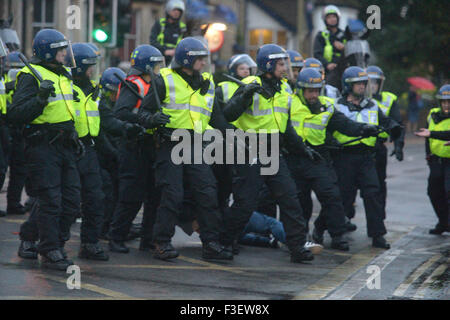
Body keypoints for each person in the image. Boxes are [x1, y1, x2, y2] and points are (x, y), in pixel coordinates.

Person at [221, 43, 322, 263]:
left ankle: (297, 247)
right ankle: (224, 242)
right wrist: (244, 97)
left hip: (274, 150)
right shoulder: (249, 83)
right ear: (267, 64)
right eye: (280, 63)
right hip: (250, 150)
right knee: (245, 203)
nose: (285, 67)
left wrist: (303, 149)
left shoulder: (284, 88)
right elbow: (228, 114)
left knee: (289, 198)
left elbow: (285, 126)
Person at [141, 37, 233, 261]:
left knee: (207, 192)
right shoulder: (164, 80)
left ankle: (211, 243)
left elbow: (217, 119)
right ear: (186, 59)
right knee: (172, 194)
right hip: (171, 144)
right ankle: (161, 243)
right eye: (200, 59)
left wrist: (238, 138)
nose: (204, 63)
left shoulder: (207, 83)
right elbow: (142, 115)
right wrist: (153, 119)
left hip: (195, 146)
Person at [10, 29, 81, 270]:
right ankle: (51, 249)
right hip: (42, 146)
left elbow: (65, 112)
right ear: (48, 51)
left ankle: (32, 238)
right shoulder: (31, 75)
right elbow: (17, 114)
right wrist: (40, 98)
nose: (65, 53)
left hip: (65, 144)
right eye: (61, 49)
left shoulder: (63, 75)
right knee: (51, 200)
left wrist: (75, 135)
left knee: (72, 200)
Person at [288, 68, 380, 251]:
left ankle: (337, 236)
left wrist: (363, 129)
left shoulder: (328, 106)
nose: (313, 95)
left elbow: (344, 124)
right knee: (300, 202)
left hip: (318, 157)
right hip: (295, 158)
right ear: (300, 90)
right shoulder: (289, 104)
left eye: (316, 90)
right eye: (310, 91)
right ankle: (300, 239)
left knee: (332, 196)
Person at [332, 66, 402, 249]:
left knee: (373, 195)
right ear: (348, 85)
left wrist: (394, 128)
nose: (363, 87)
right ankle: (336, 234)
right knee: (343, 198)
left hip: (366, 157)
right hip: (344, 157)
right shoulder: (336, 106)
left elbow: (386, 121)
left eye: (364, 83)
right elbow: (328, 129)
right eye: (358, 84)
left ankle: (378, 235)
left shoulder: (372, 105)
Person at [108, 45, 166, 254]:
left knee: (154, 196)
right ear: (147, 66)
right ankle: (116, 237)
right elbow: (121, 113)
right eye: (157, 64)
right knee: (131, 196)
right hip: (134, 145)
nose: (160, 68)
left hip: (151, 145)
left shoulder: (155, 83)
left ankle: (147, 239)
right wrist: (145, 119)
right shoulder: (134, 85)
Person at [70, 43, 110, 260]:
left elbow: (103, 122)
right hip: (68, 149)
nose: (93, 71)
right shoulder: (66, 88)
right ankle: (34, 240)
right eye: (89, 66)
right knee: (64, 199)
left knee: (95, 197)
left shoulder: (95, 90)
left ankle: (90, 243)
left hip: (90, 150)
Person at [367, 65, 405, 219]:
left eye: (376, 82)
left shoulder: (389, 99)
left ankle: (379, 215)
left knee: (379, 184)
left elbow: (397, 124)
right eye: (370, 82)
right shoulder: (358, 98)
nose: (373, 86)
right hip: (360, 148)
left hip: (379, 147)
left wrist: (398, 144)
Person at [419, 84, 450, 234]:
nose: (446, 104)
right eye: (443, 101)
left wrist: (432, 134)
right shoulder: (432, 114)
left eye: (449, 101)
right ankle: (443, 222)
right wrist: (428, 156)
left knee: (448, 192)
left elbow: (444, 133)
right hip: (436, 161)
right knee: (433, 192)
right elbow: (427, 135)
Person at [3, 51, 28, 216]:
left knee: (20, 168)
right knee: (1, 167)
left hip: (19, 128)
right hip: (4, 125)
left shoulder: (26, 81)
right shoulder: (3, 80)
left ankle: (13, 203)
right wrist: (7, 88)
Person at [313, 5, 347, 88]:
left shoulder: (345, 35)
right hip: (328, 71)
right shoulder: (321, 36)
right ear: (325, 20)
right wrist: (327, 64)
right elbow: (317, 54)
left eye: (334, 17)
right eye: (329, 17)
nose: (332, 19)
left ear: (338, 18)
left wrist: (344, 48)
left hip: (344, 70)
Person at [150, 0, 187, 66]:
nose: (176, 12)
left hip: (176, 60)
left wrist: (177, 52)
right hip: (159, 59)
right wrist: (165, 51)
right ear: (168, 10)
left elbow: (186, 44)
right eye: (174, 10)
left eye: (179, 11)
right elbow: (152, 41)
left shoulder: (182, 27)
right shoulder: (160, 24)